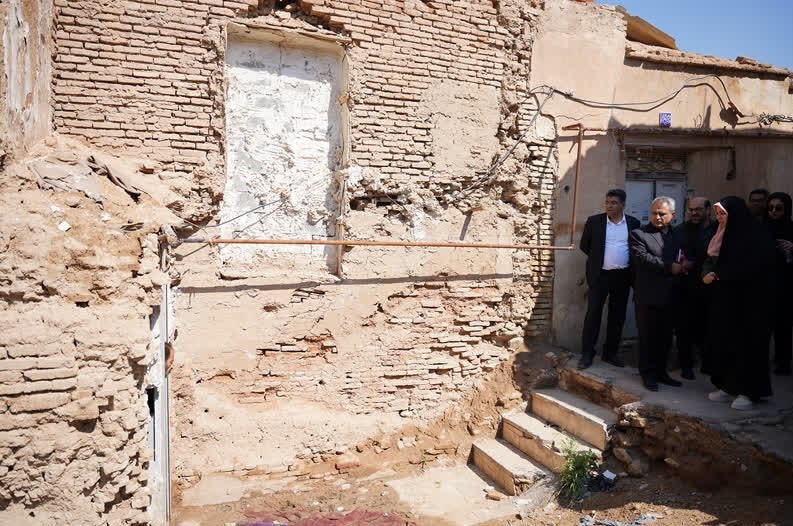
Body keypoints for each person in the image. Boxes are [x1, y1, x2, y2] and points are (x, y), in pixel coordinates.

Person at [703, 197, 775, 410]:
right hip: (728, 299)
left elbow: (757, 267)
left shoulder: (755, 235)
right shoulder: (723, 233)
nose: (719, 218)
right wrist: (711, 273)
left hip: (751, 303)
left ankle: (750, 391)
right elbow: (713, 259)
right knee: (727, 342)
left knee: (748, 346)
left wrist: (722, 274)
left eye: (723, 214)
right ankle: (729, 386)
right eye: (717, 214)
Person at [578, 189, 641, 370]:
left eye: (614, 203)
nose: (609, 206)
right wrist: (599, 260)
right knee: (593, 314)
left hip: (623, 276)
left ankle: (610, 353)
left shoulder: (633, 223)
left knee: (617, 315)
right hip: (600, 276)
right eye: (607, 202)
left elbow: (636, 248)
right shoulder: (594, 222)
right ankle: (587, 353)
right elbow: (585, 246)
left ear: (623, 205)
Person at [630, 196, 686, 391]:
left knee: (665, 338)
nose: (657, 217)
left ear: (673, 215)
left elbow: (683, 255)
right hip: (648, 296)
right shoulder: (639, 234)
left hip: (671, 296)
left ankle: (662, 372)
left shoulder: (678, 235)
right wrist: (670, 267)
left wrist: (685, 264)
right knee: (648, 338)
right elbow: (643, 259)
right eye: (654, 213)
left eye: (662, 214)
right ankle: (648, 374)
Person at [672, 197, 716, 379]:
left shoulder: (717, 229)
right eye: (691, 210)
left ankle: (708, 363)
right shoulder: (680, 230)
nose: (694, 213)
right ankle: (686, 365)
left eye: (698, 209)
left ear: (708, 210)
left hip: (710, 288)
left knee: (707, 327)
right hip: (685, 287)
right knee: (684, 328)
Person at [765, 192, 793, 375]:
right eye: (770, 208)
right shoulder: (762, 229)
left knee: (783, 326)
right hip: (765, 285)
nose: (773, 211)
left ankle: (783, 362)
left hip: (786, 287)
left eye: (778, 208)